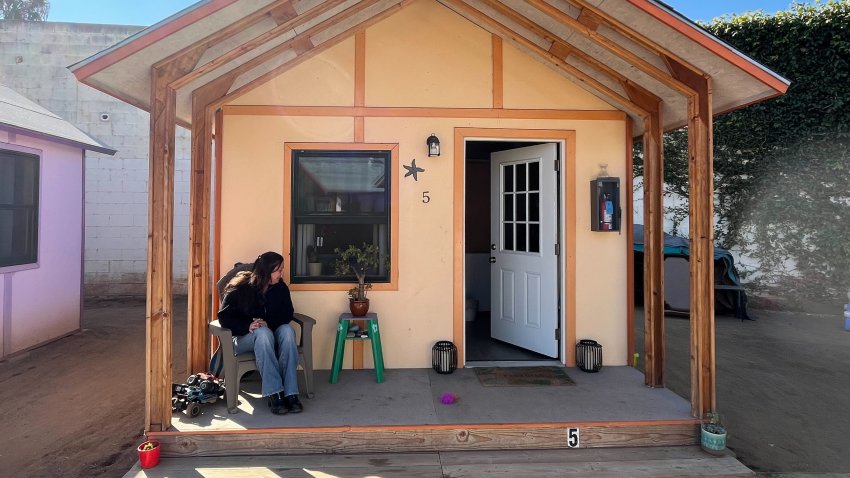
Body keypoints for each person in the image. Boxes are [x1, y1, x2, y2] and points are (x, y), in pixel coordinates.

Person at [218, 251, 303, 415]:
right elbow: (224, 317)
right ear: (266, 271)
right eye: (278, 270)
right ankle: (275, 393)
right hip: (244, 339)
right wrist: (248, 325)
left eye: (282, 269)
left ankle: (291, 393)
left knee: (287, 331)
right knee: (263, 333)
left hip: (271, 333)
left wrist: (269, 323)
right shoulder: (241, 288)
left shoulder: (280, 288)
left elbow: (287, 313)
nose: (281, 274)